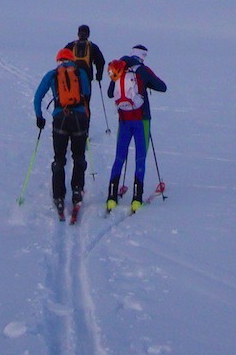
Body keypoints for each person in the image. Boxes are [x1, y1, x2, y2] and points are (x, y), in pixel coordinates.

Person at [106, 44, 167, 212]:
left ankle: (111, 197)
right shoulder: (142, 70)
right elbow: (162, 87)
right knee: (140, 157)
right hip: (142, 119)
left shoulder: (119, 68)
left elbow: (111, 93)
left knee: (120, 157)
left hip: (123, 119)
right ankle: (136, 198)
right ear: (143, 56)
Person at [33, 47, 91, 220]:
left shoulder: (52, 74)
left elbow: (37, 97)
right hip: (80, 118)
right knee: (79, 156)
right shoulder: (80, 73)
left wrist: (39, 116)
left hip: (60, 118)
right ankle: (77, 190)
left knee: (59, 158)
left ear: (58, 60)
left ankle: (58, 195)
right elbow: (86, 93)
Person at [63, 25, 106, 103]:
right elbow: (101, 62)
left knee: (72, 101)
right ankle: (85, 114)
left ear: (78, 34)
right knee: (85, 101)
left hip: (72, 77)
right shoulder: (92, 46)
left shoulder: (71, 45)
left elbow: (62, 58)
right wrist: (99, 75)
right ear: (88, 34)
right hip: (87, 77)